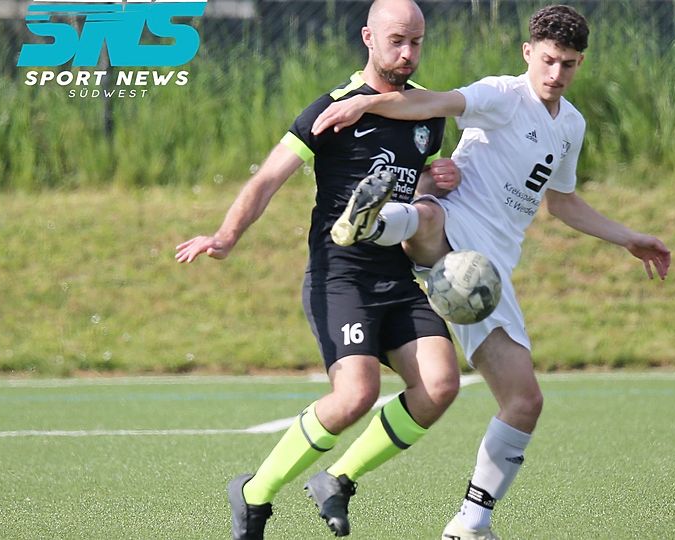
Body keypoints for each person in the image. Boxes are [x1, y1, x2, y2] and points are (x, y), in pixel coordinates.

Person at [312, 5, 672, 539]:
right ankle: (371, 221)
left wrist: (628, 238)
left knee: (524, 401)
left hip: (487, 273)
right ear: (528, 52)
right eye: (547, 60)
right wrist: (368, 101)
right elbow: (432, 102)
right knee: (429, 216)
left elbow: (562, 203)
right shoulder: (502, 94)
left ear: (580, 63)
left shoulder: (571, 125)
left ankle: (469, 522)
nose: (556, 73)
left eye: (568, 64)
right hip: (451, 228)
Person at [175, 1, 463, 538]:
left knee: (441, 384)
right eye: (397, 40)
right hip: (340, 277)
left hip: (396, 276)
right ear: (368, 37)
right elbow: (267, 178)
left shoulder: (427, 111)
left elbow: (414, 185)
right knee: (355, 395)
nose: (407, 53)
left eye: (416, 42)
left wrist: (435, 180)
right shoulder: (332, 109)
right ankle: (254, 494)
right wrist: (226, 236)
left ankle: (338, 479)